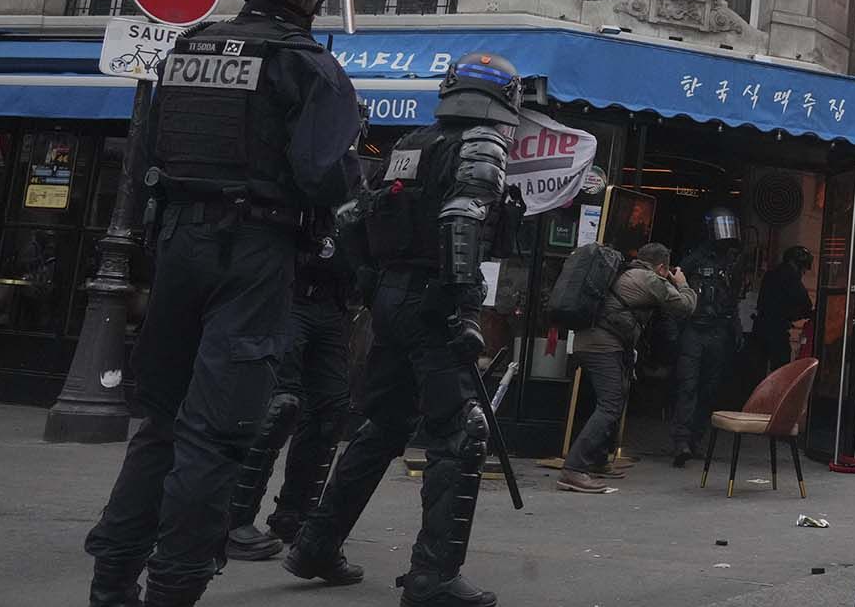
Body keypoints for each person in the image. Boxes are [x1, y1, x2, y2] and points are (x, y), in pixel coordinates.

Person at [83, 0, 363, 607]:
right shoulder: (311, 66)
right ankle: (174, 587)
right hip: (256, 254)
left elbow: (147, 155)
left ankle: (112, 580)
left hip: (179, 245)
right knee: (218, 433)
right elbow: (325, 176)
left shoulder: (186, 49)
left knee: (159, 425)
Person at [286, 51, 525, 607]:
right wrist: (465, 306)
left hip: (392, 298)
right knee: (461, 432)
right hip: (434, 300)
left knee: (383, 425)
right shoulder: (482, 144)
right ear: (504, 100)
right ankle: (432, 576)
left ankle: (316, 542)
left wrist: (371, 281)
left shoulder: (411, 144)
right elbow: (462, 218)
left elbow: (352, 217)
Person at [223, 203, 365, 560]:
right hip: (290, 294)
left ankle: (294, 515)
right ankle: (234, 520)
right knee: (278, 404)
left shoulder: (354, 181)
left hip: (330, 305)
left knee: (331, 407)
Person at [558, 242, 696, 493]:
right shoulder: (650, 279)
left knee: (613, 400)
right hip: (603, 345)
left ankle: (597, 460)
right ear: (663, 267)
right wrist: (682, 283)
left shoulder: (623, 271)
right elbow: (685, 306)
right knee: (610, 405)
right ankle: (574, 469)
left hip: (595, 342)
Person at [669, 207, 747, 467]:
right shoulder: (694, 258)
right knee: (688, 385)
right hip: (694, 328)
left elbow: (733, 298)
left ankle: (695, 439)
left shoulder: (733, 262)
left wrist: (736, 328)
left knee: (709, 388)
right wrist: (673, 329)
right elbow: (674, 289)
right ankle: (681, 441)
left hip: (718, 329)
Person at [751, 245, 814, 372]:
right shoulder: (791, 278)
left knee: (757, 373)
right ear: (795, 264)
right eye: (802, 268)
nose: (802, 273)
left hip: (759, 330)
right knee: (780, 371)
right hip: (776, 332)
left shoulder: (771, 274)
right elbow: (805, 304)